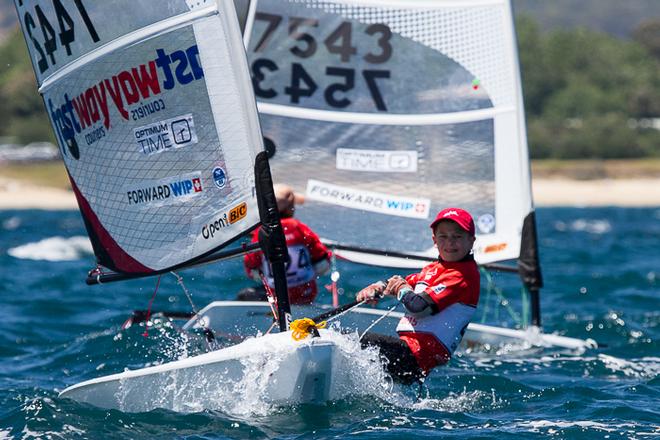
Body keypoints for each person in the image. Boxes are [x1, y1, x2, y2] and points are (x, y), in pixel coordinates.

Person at [355, 207, 480, 384]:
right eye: (443, 236)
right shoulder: (433, 269)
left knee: (348, 342)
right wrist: (379, 287)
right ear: (434, 240)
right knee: (348, 344)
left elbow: (419, 307)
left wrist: (401, 288)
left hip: (415, 357)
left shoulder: (462, 276)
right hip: (408, 351)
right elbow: (403, 282)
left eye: (457, 237)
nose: (450, 243)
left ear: (471, 241)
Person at [240, 184, 331, 305]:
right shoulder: (299, 228)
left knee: (244, 294)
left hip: (276, 297)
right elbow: (322, 260)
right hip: (307, 295)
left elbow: (250, 266)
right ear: (290, 208)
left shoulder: (261, 232)